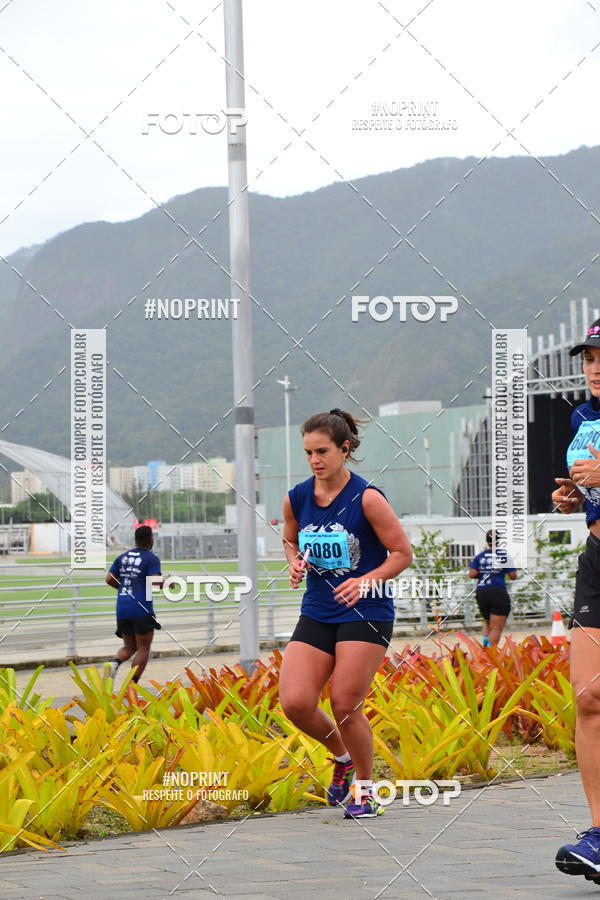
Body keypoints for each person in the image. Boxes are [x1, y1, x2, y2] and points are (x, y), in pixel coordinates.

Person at [278, 408, 413, 819]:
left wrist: (366, 580)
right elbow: (289, 538)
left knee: (344, 702)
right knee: (296, 702)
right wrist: (294, 561)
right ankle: (342, 759)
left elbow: (402, 554)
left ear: (345, 448)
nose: (315, 460)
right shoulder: (297, 497)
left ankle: (366, 790)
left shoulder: (368, 498)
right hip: (318, 608)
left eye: (322, 451)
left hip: (365, 609)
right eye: (308, 453)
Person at [555, 318, 600, 882]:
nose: (594, 366)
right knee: (589, 697)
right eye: (588, 357)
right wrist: (576, 499)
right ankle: (599, 832)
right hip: (597, 564)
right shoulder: (583, 417)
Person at [104, 524, 164, 683]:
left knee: (129, 647)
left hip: (122, 607)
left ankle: (114, 664)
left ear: (136, 540)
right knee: (143, 648)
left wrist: (123, 587)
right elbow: (155, 582)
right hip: (141, 609)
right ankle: (131, 685)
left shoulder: (122, 557)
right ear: (150, 540)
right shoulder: (151, 558)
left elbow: (109, 579)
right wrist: (169, 583)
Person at [468, 529, 517, 646]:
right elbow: (513, 576)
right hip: (497, 591)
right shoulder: (504, 556)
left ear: (487, 541)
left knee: (488, 622)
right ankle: (489, 654)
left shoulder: (480, 556)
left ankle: (485, 645)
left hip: (482, 591)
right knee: (496, 626)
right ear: (499, 541)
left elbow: (472, 574)